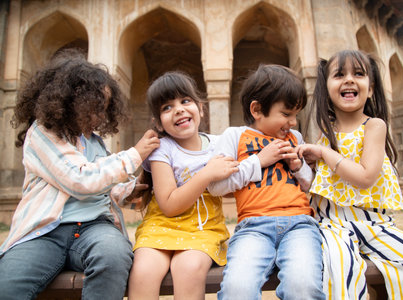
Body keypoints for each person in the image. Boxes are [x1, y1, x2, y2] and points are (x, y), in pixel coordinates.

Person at [0, 49, 160, 300]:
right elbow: (79, 180)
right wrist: (135, 155)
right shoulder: (43, 133)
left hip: (95, 228)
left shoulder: (94, 142)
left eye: (104, 109)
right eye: (95, 108)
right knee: (8, 284)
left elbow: (102, 187)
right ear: (69, 101)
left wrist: (128, 190)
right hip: (44, 231)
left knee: (114, 258)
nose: (100, 116)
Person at [297, 49, 403, 299]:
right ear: (326, 88)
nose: (349, 79)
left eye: (358, 74)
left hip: (375, 224)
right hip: (333, 226)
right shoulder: (326, 134)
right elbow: (321, 185)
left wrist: (324, 153)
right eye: (339, 74)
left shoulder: (374, 126)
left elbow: (366, 177)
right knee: (340, 275)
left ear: (370, 88)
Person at [208, 64, 325, 300]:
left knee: (303, 286)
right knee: (237, 290)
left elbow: (310, 187)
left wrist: (298, 167)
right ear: (257, 109)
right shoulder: (235, 136)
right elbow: (216, 186)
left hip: (299, 224)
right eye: (286, 114)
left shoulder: (296, 138)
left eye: (295, 115)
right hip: (254, 227)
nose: (293, 122)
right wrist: (258, 161)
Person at [127, 71, 239, 300]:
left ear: (201, 108)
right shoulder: (162, 149)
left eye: (185, 101)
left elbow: (232, 186)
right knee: (143, 272)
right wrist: (206, 174)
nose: (178, 109)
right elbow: (168, 205)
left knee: (188, 269)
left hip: (203, 228)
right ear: (158, 122)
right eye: (167, 107)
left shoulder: (219, 145)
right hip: (161, 225)